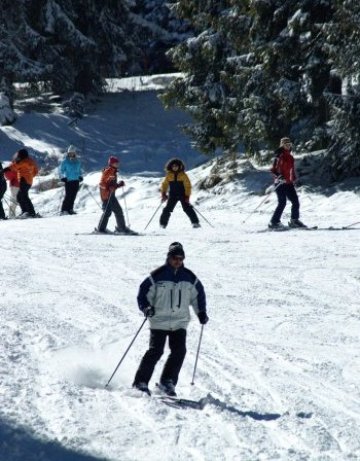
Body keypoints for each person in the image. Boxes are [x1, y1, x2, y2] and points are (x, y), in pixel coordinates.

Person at [133, 242, 208, 397]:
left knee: (179, 351)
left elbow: (198, 295)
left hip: (179, 322)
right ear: (169, 258)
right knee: (156, 351)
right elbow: (143, 293)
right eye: (175, 258)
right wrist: (146, 307)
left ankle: (167, 382)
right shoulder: (157, 276)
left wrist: (201, 312)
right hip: (159, 320)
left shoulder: (189, 277)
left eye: (181, 259)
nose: (178, 261)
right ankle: (140, 382)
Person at [268, 137, 306, 229]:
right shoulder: (279, 156)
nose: (288, 146)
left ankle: (294, 221)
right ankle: (274, 222)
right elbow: (273, 170)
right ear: (282, 145)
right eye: (286, 144)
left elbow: (291, 171)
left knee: (295, 201)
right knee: (282, 202)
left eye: (289, 144)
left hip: (289, 183)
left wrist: (294, 179)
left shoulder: (290, 156)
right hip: (280, 183)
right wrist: (279, 176)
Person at [159, 158, 200, 229]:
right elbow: (164, 184)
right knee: (167, 209)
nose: (175, 167)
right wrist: (163, 194)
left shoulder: (183, 175)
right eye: (173, 166)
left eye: (176, 166)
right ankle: (163, 224)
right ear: (171, 167)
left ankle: (195, 223)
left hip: (182, 195)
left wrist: (187, 196)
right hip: (172, 195)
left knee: (187, 208)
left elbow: (188, 186)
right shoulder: (169, 175)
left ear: (179, 166)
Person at [96, 155, 132, 233]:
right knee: (108, 212)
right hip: (106, 196)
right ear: (111, 163)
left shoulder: (113, 172)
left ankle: (121, 228)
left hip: (111, 195)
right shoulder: (108, 171)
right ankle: (101, 229)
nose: (117, 164)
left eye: (117, 163)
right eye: (115, 163)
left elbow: (112, 186)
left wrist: (118, 184)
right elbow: (102, 183)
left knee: (117, 211)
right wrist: (108, 188)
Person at [4, 148, 39, 218]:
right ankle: (29, 212)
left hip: (24, 180)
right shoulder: (31, 161)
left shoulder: (22, 161)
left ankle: (27, 212)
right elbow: (36, 171)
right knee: (23, 196)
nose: (18, 157)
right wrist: (30, 176)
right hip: (29, 181)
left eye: (19, 156)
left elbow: (13, 167)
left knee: (22, 196)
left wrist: (4, 170)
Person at [59, 145, 83, 215]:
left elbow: (79, 171)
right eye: (70, 153)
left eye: (72, 153)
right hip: (68, 180)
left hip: (76, 180)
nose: (71, 154)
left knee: (73, 195)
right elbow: (61, 171)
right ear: (68, 153)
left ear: (75, 153)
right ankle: (64, 210)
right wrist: (63, 177)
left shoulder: (77, 162)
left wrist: (80, 176)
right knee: (68, 195)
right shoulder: (65, 162)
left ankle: (70, 209)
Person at [3, 154, 20, 218]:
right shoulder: (12, 166)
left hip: (18, 185)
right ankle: (11, 215)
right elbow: (8, 175)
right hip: (15, 185)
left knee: (17, 200)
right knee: (14, 200)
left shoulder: (18, 165)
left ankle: (12, 215)